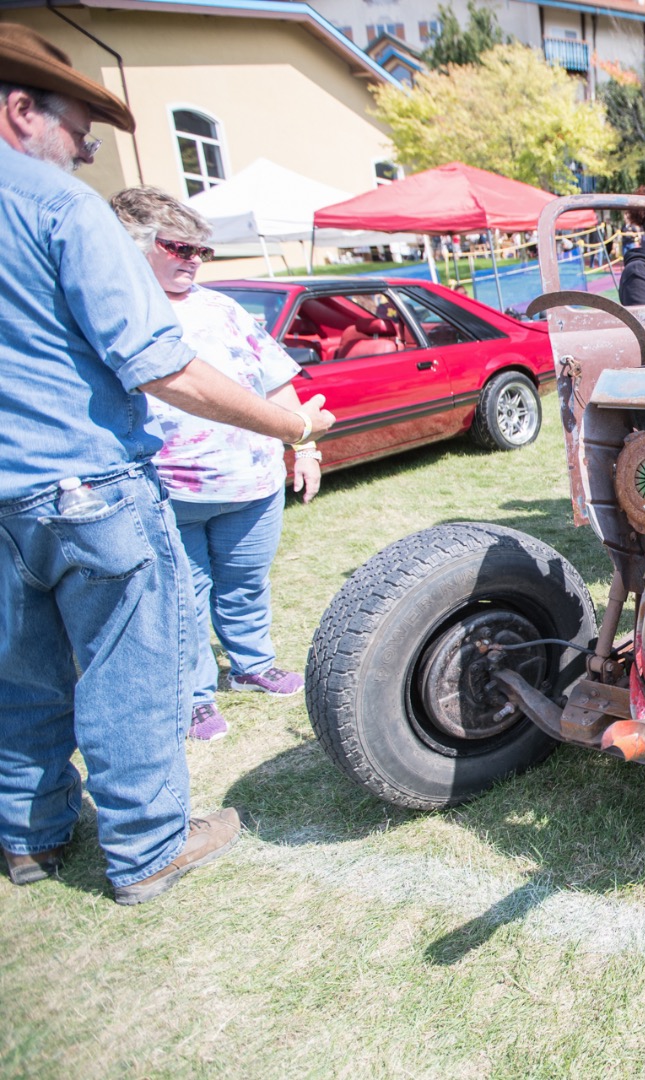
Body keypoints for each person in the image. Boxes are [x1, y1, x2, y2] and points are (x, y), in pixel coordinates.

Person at [0, 25, 333, 902]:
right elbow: (160, 363)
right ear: (21, 109)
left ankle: (30, 837)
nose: (87, 152)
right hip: (85, 479)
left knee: (19, 669)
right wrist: (287, 424)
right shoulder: (59, 209)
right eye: (81, 133)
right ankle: (147, 846)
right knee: (127, 665)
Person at [112, 187, 322, 743]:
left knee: (246, 583)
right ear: (134, 245)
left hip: (251, 482)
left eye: (201, 251)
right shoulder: (119, 312)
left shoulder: (222, 307)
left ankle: (253, 664)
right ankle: (195, 697)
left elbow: (275, 378)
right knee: (183, 600)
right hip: (169, 490)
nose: (193, 260)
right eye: (179, 247)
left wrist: (303, 448)